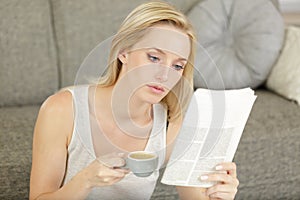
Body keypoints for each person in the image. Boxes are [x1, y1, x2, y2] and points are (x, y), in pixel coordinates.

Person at [29, 1, 239, 200]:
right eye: (154, 58)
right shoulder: (62, 110)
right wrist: (85, 181)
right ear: (124, 52)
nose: (164, 76)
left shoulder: (170, 123)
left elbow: (194, 196)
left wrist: (218, 194)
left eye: (177, 66)